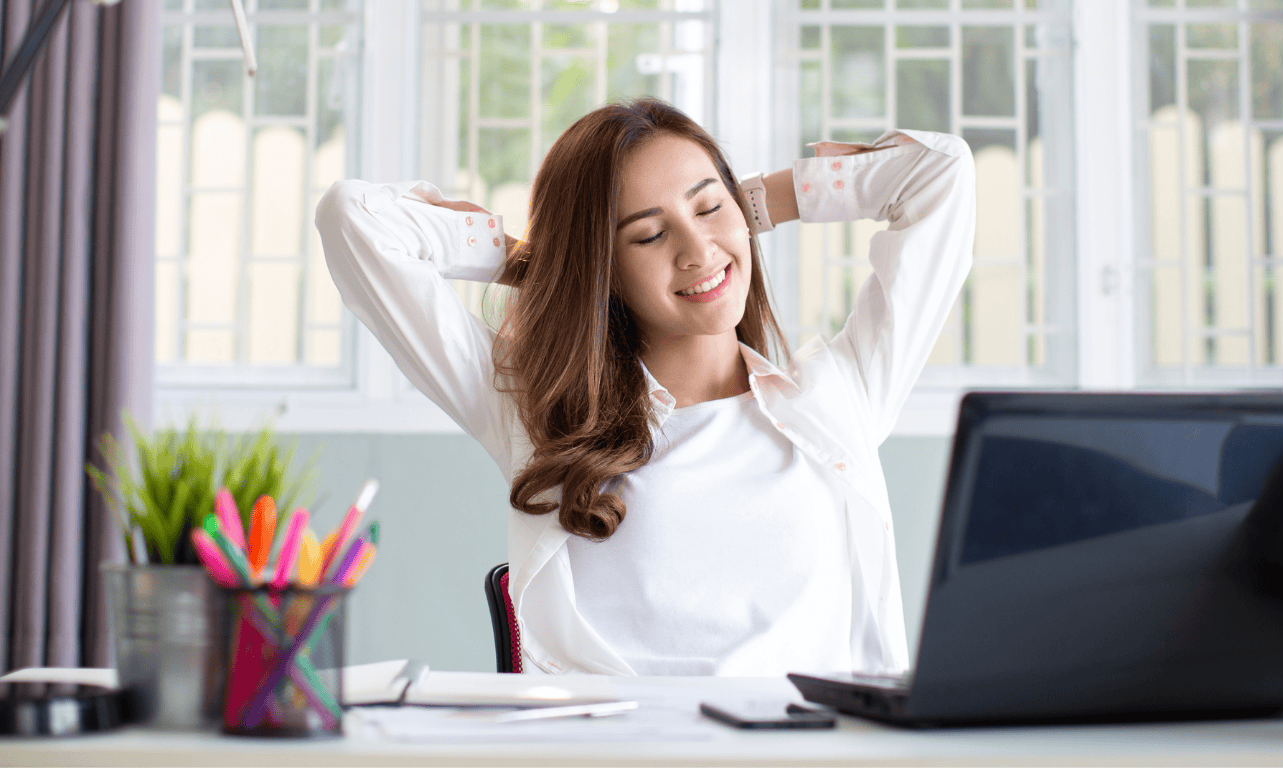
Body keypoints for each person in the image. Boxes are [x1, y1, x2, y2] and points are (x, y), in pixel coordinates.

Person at [315, 97, 974, 676]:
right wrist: (551, 269)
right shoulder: (544, 413)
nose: (697, 252)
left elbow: (940, 174)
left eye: (709, 207)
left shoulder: (840, 395)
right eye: (650, 235)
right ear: (607, 267)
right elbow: (353, 220)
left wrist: (760, 202)